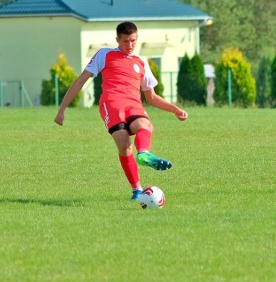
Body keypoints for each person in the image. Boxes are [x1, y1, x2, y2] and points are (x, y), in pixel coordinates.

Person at [54, 21, 188, 201]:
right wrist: (62, 110)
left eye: (133, 40)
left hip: (134, 104)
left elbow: (152, 97)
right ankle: (137, 190)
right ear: (117, 39)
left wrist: (175, 110)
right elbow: (80, 81)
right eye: (125, 41)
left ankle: (144, 154)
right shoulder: (105, 54)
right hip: (112, 103)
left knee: (145, 124)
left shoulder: (141, 62)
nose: (130, 45)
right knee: (125, 146)